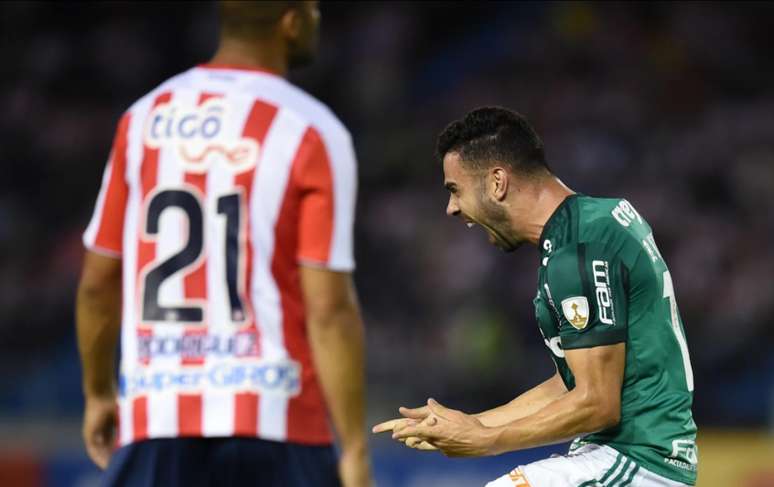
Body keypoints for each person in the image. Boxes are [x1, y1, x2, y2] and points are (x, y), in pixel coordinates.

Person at [76, 2, 372, 486]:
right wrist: (355, 448)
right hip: (275, 419)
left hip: (156, 414)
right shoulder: (313, 131)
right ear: (291, 21)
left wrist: (99, 393)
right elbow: (329, 309)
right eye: (314, 9)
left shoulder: (143, 118)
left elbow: (96, 282)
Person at [373, 107, 698, 487]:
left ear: (497, 182)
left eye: (454, 189)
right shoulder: (596, 221)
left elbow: (597, 402)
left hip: (638, 461)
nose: (452, 208)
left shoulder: (577, 249)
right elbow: (575, 381)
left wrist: (484, 440)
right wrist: (473, 423)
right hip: (626, 459)